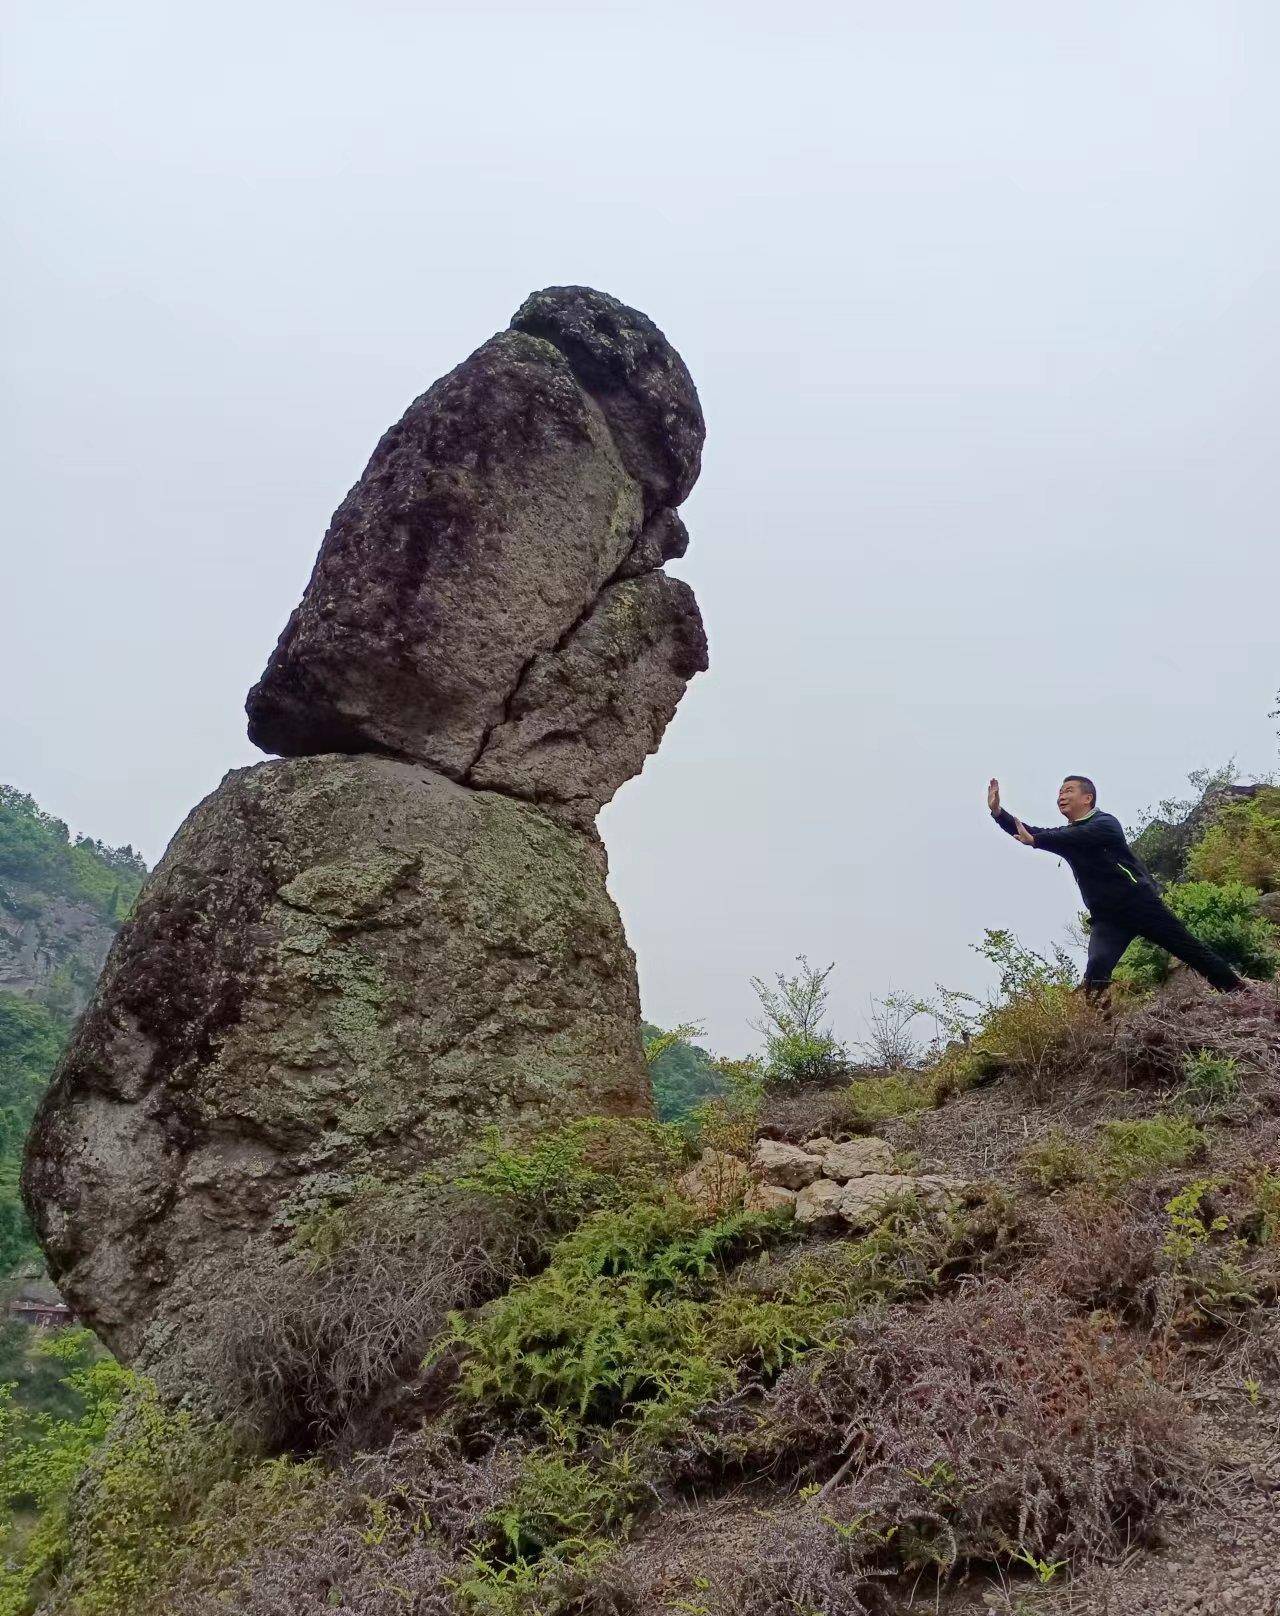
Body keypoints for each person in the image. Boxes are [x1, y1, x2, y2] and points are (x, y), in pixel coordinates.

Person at [987, 774, 1245, 998]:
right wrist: (999, 813)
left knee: (1191, 950)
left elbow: (1072, 836)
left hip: (1140, 905)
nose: (1061, 796)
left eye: (1068, 791)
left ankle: (1241, 995)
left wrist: (1038, 840)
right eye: (1059, 793)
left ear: (1087, 798)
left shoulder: (1105, 824)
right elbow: (1029, 831)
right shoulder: (1066, 837)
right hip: (1107, 918)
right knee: (1097, 966)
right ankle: (1099, 1025)